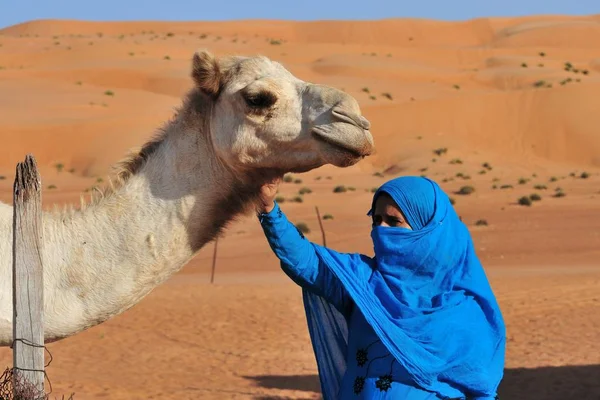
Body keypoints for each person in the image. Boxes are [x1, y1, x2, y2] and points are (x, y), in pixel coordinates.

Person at [256, 175, 506, 400]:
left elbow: (480, 389)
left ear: (427, 231)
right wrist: (269, 210)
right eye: (376, 220)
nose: (380, 229)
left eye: (393, 221)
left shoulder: (466, 311)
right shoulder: (361, 281)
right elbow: (306, 262)